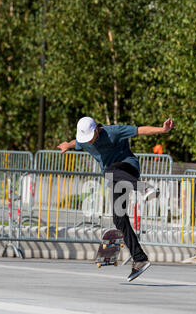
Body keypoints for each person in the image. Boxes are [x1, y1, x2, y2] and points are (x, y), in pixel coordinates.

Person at [58, 116, 175, 281]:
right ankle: (140, 259)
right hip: (115, 179)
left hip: (128, 168)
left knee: (110, 171)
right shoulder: (84, 139)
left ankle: (145, 188)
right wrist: (66, 145)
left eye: (91, 138)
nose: (89, 142)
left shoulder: (113, 132)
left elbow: (139, 130)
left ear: (97, 130)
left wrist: (162, 130)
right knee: (118, 218)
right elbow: (76, 143)